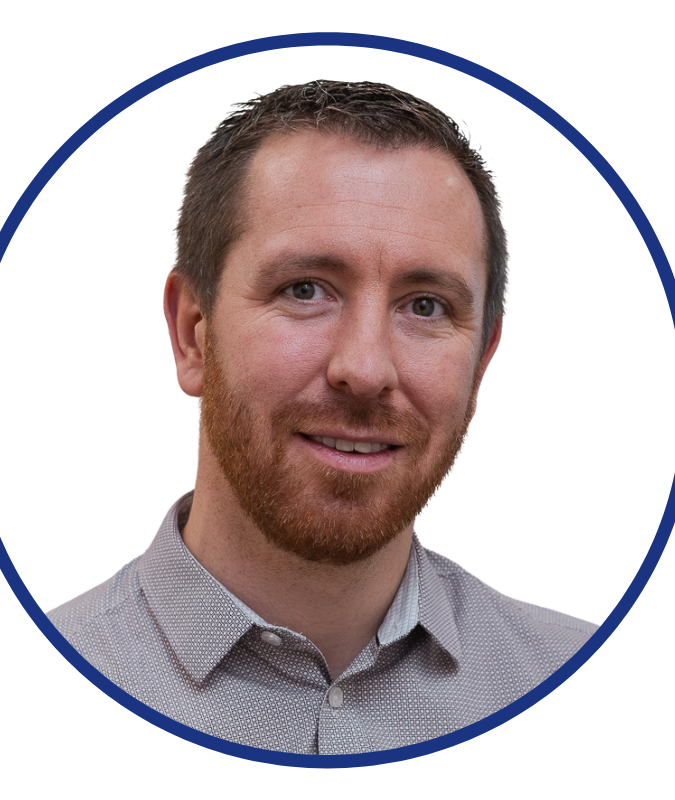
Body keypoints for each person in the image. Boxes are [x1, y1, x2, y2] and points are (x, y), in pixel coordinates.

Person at [48, 80, 596, 755]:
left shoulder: (599, 701)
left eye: (425, 306)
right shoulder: (13, 703)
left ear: (481, 362)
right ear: (193, 333)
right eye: (304, 290)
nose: (365, 369)